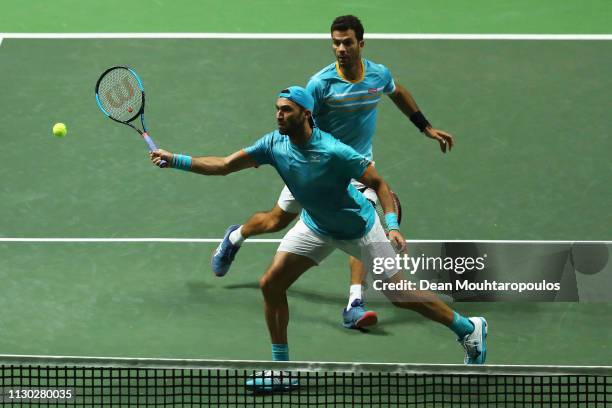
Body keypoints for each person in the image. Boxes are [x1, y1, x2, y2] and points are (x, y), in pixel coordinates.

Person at [150, 86, 486, 391]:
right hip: (315, 226)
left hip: (360, 230)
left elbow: (380, 184)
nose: (279, 115)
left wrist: (393, 224)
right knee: (271, 283)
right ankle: (282, 370)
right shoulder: (272, 143)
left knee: (399, 294)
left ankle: (467, 328)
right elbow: (223, 165)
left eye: (287, 110)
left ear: (306, 114)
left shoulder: (334, 151)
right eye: (278, 109)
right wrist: (175, 160)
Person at [211, 15, 454, 330]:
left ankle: (355, 301)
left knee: (361, 219)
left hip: (355, 166)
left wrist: (426, 127)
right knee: (276, 220)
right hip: (315, 167)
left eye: (347, 42)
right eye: (336, 43)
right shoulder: (320, 84)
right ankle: (236, 235)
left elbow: (397, 93)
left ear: (360, 44)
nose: (340, 48)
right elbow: (301, 120)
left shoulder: (378, 75)